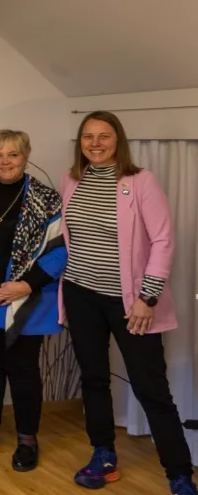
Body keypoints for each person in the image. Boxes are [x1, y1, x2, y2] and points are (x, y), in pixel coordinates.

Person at [60, 111, 196, 495]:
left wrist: (146, 297)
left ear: (118, 140)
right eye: (88, 136)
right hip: (81, 293)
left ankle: (179, 473)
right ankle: (103, 455)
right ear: (80, 142)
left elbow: (163, 241)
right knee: (94, 378)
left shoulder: (140, 181)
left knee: (150, 386)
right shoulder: (72, 179)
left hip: (131, 302)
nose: (95, 143)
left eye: (104, 136)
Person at [0, 130, 66, 472]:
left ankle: (27, 439)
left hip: (27, 302)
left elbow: (59, 250)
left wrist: (24, 286)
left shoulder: (48, 199)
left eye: (13, 154)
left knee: (23, 371)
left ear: (26, 155)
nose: (5, 161)